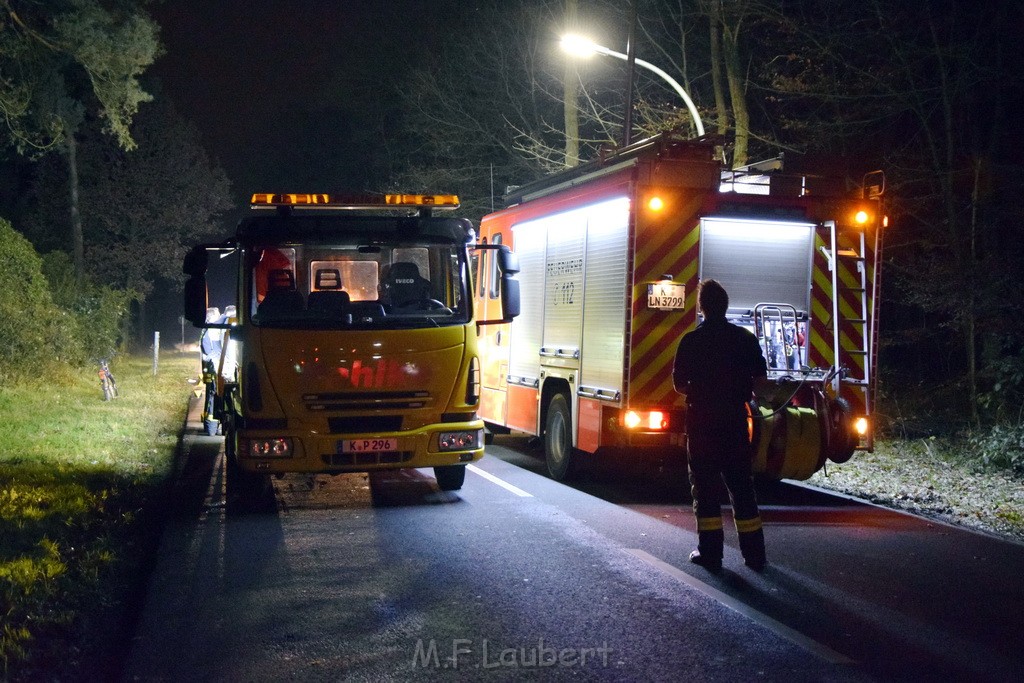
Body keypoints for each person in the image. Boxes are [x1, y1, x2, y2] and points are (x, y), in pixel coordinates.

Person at [673, 279, 768, 572]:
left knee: (705, 489)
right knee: (742, 488)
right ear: (726, 306)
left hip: (702, 426)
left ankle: (711, 553)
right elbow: (761, 384)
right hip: (735, 425)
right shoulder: (745, 339)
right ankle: (755, 556)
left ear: (701, 308)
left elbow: (679, 385)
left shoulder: (691, 341)